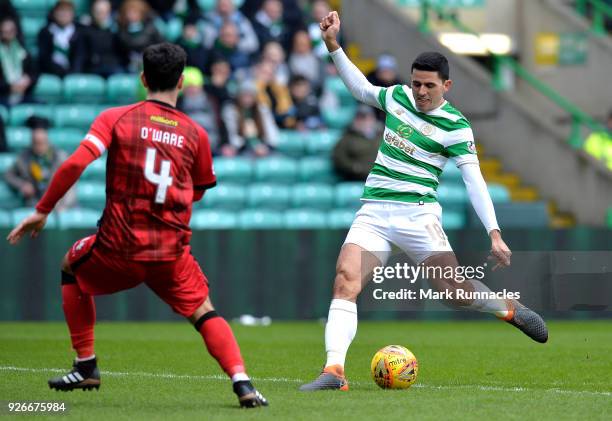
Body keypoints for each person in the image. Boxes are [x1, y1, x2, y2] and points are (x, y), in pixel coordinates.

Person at [6, 43, 268, 408]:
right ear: (181, 82)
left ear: (143, 79)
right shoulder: (196, 134)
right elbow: (199, 191)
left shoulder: (117, 117)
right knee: (204, 310)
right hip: (169, 253)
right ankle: (242, 382)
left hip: (119, 247)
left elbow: (73, 165)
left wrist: (43, 209)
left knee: (70, 265)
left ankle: (86, 365)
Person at [300, 11, 548, 392]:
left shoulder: (456, 126)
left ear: (446, 85)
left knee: (454, 292)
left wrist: (494, 233)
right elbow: (363, 90)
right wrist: (334, 46)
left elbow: (474, 180)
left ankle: (508, 309)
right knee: (345, 280)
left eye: (428, 85)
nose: (419, 92)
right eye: (416, 83)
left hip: (418, 216)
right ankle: (334, 371)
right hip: (375, 213)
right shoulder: (397, 97)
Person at [4, 116, 76, 210]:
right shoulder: (24, 157)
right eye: (35, 143)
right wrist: (22, 185)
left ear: (47, 141)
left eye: (41, 143)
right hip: (35, 203)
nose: (39, 147)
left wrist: (63, 206)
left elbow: (71, 184)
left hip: (58, 204)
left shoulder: (60, 157)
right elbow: (8, 175)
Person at [221, 79, 279, 157]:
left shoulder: (262, 110)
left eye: (250, 96)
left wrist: (266, 147)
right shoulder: (231, 111)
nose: (247, 99)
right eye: (244, 95)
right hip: (242, 149)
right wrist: (251, 147)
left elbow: (272, 133)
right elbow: (233, 136)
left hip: (263, 147)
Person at [37, 0, 86, 77]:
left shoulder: (79, 32)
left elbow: (80, 57)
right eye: (61, 10)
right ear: (54, 13)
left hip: (72, 74)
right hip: (50, 73)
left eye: (67, 11)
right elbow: (44, 58)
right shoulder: (46, 32)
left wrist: (72, 73)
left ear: (72, 14)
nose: (64, 14)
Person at [332, 105, 381, 180]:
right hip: (358, 178)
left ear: (373, 119)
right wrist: (355, 167)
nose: (365, 121)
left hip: (382, 178)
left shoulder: (383, 135)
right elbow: (339, 158)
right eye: (361, 118)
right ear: (355, 120)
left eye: (368, 118)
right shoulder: (347, 138)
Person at [116, 0, 164, 72]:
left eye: (134, 12)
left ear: (141, 13)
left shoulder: (151, 28)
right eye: (129, 12)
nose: (131, 15)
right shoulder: (121, 31)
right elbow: (121, 51)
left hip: (150, 62)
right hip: (129, 65)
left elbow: (161, 46)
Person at [0, 16, 37, 106]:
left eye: (11, 31)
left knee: (41, 107)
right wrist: (10, 87)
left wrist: (28, 80)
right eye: (5, 31)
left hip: (23, 93)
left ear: (16, 31)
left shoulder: (23, 51)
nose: (8, 34)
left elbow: (34, 73)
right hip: (3, 95)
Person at [82, 0, 123, 77]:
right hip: (93, 67)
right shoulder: (86, 31)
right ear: (92, 12)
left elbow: (122, 52)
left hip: (113, 66)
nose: (101, 15)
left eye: (104, 12)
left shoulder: (116, 31)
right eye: (98, 12)